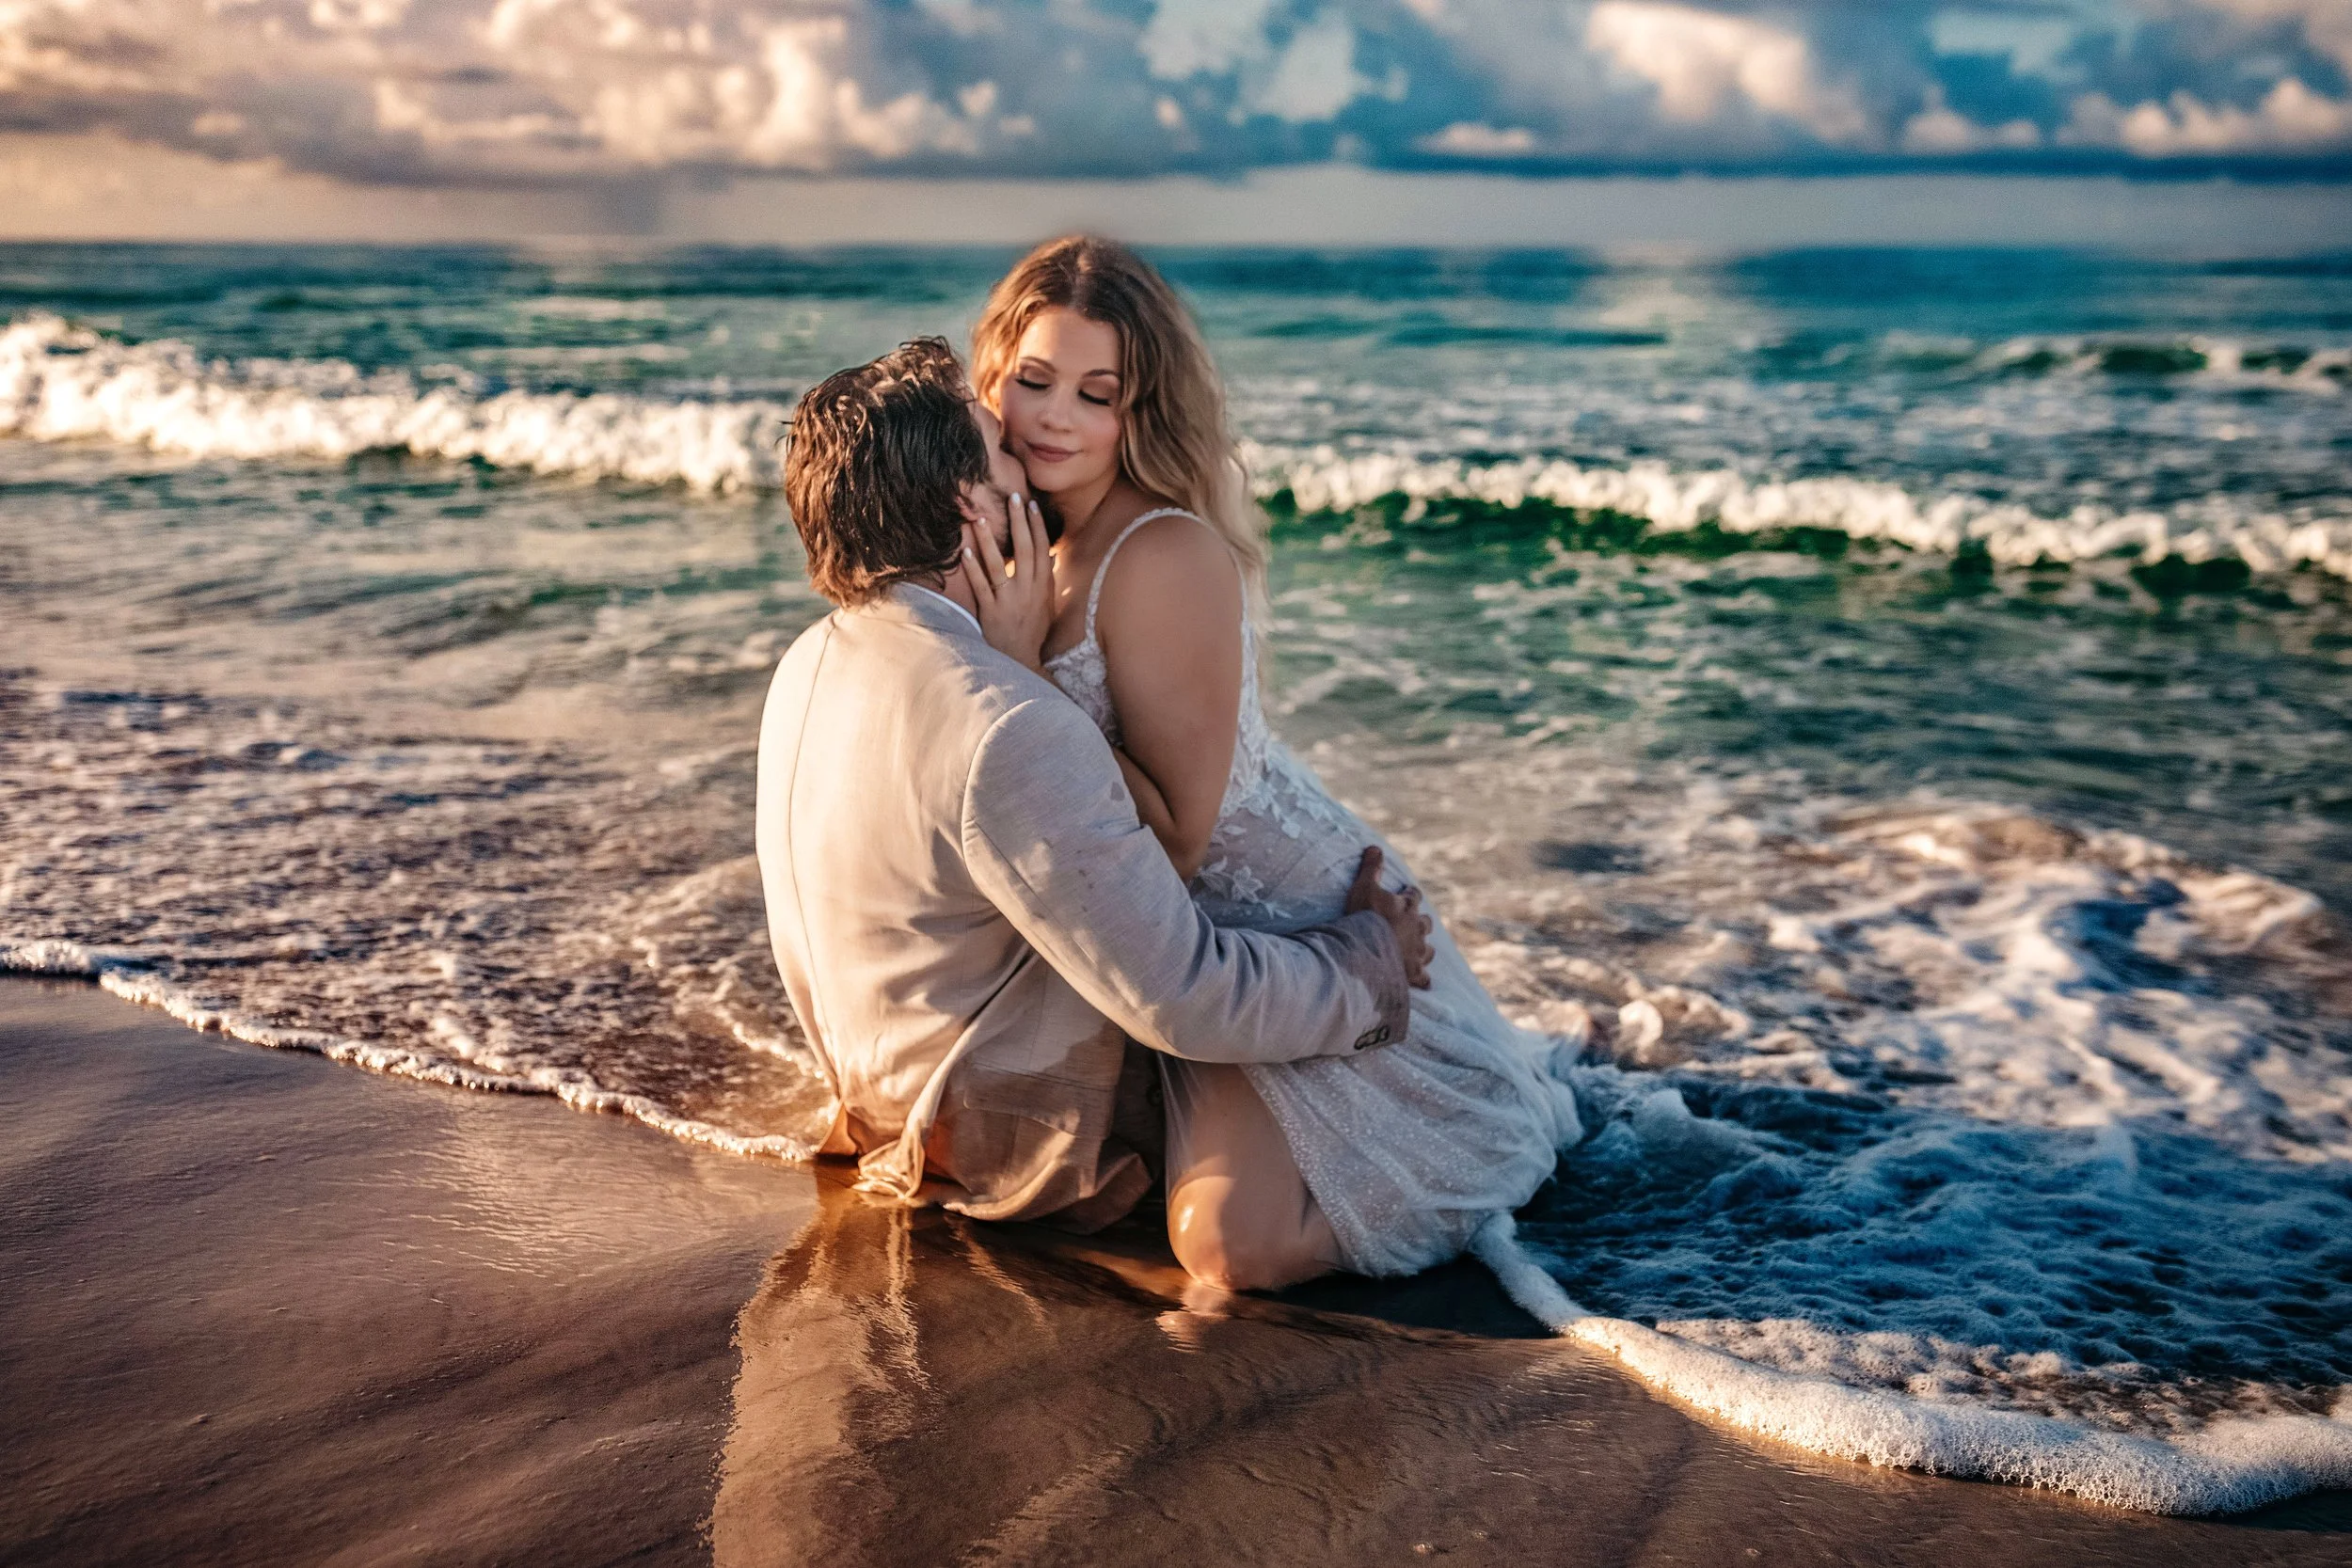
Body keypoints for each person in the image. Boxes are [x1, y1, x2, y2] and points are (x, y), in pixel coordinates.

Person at [960, 237, 1583, 1291]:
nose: (1055, 415)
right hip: (1159, 947)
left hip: (1284, 931)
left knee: (1227, 1245)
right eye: (1033, 381)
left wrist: (1020, 668)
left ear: (1142, 411)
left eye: (1096, 393)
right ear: (992, 384)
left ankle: (1492, 1115)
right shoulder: (1023, 535)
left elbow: (1175, 841)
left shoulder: (1159, 553)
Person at [755, 337, 1436, 1251]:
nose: (1027, 468)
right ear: (972, 507)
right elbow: (1186, 999)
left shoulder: (808, 660)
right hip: (1009, 1143)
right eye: (1001, 449)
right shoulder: (1002, 719)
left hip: (873, 1097)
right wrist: (1365, 961)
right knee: (1334, 1093)